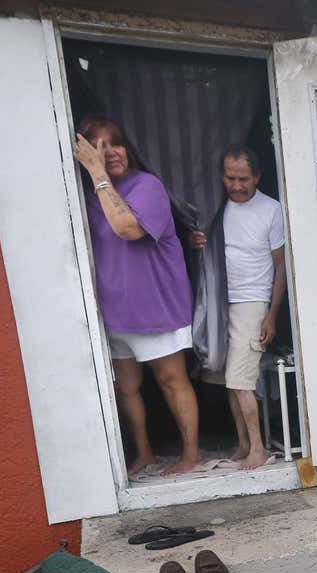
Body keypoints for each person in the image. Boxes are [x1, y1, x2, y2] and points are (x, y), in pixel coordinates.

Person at [72, 116, 204, 476]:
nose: (110, 152)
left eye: (116, 143)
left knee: (171, 380)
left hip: (155, 307)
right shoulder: (87, 196)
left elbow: (127, 228)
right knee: (127, 387)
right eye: (98, 146)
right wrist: (97, 181)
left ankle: (192, 454)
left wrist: (98, 174)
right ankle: (144, 452)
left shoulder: (147, 186)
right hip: (114, 310)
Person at [192, 145, 285, 471]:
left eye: (243, 178)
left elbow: (281, 267)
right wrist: (196, 243)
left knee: (240, 379)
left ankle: (258, 449)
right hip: (219, 299)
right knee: (226, 378)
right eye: (230, 178)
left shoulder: (272, 210)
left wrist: (272, 315)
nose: (236, 185)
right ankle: (244, 443)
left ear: (257, 176)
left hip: (253, 301)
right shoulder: (214, 208)